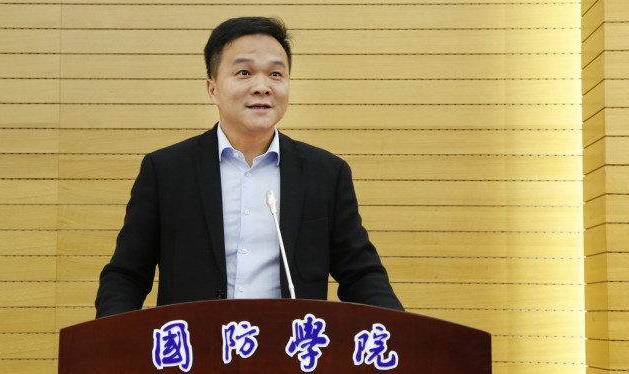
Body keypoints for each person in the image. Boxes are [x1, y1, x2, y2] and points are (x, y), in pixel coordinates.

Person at [95, 17, 403, 317]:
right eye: (244, 72)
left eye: (275, 74)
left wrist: (404, 333)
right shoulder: (166, 171)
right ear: (212, 89)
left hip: (288, 346)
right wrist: (113, 340)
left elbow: (361, 275)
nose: (262, 87)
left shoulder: (326, 173)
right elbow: (126, 275)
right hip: (196, 347)